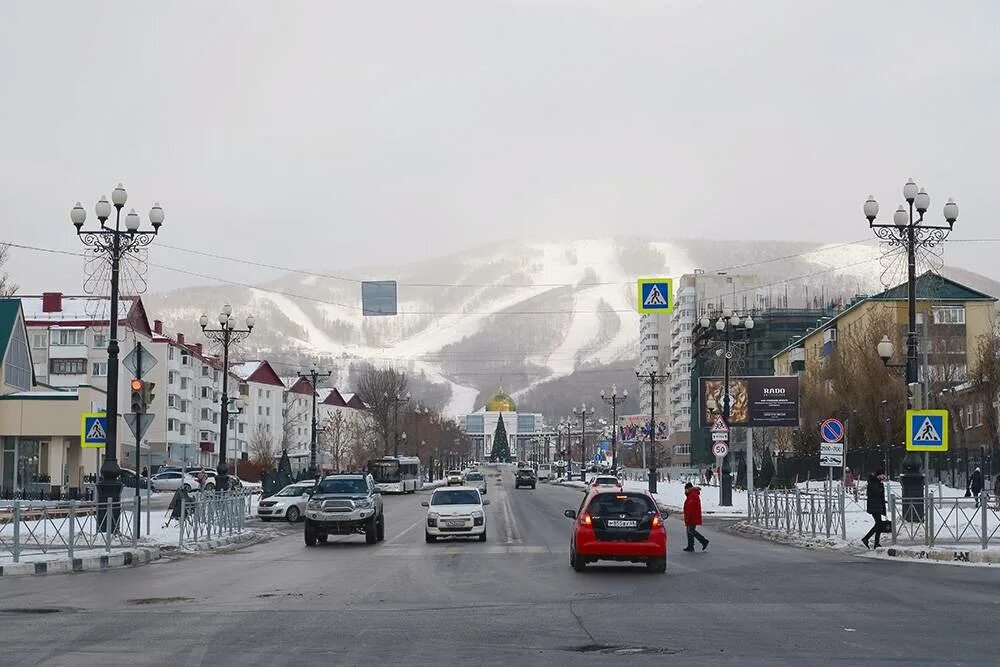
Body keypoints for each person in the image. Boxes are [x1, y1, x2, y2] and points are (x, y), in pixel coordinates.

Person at [862, 469, 887, 550]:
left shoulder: (877, 482)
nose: (883, 476)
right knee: (879, 524)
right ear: (878, 475)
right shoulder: (873, 482)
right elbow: (876, 493)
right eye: (882, 475)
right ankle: (866, 539)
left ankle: (876, 543)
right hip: (874, 506)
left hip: (877, 505)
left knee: (879, 525)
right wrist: (880, 484)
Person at [682, 482, 709, 552]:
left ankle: (704, 541)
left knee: (691, 530)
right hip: (691, 517)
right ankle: (690, 546)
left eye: (686, 489)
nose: (685, 491)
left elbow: (691, 509)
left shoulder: (693, 496)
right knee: (689, 531)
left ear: (688, 489)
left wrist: (688, 518)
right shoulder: (691, 495)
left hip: (692, 517)